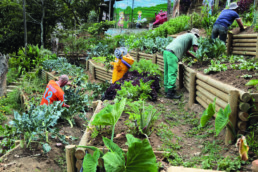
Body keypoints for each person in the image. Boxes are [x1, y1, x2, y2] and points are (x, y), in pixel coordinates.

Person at [163, 28, 199, 99]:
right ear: (196, 35)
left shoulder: (184, 36)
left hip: (166, 51)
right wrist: (199, 55)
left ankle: (167, 90)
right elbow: (195, 47)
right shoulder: (193, 36)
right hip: (172, 54)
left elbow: (186, 52)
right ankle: (170, 93)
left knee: (167, 72)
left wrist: (193, 57)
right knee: (172, 72)